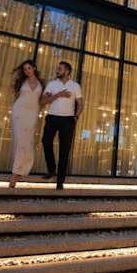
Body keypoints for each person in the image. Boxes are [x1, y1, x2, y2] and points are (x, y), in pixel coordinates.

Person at [40, 61, 82, 190]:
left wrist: (75, 117)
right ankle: (52, 169)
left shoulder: (75, 86)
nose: (57, 70)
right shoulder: (52, 84)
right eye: (57, 68)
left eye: (60, 69)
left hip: (67, 120)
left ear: (67, 71)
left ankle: (60, 181)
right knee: (46, 142)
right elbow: (43, 101)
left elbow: (81, 104)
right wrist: (58, 95)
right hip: (52, 117)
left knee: (64, 151)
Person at [9, 60, 44, 188]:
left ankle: (22, 169)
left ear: (34, 68)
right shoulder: (22, 82)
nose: (27, 71)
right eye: (24, 69)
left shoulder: (42, 84)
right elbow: (18, 96)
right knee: (19, 141)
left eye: (29, 68)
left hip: (32, 114)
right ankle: (15, 176)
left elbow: (42, 100)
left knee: (27, 142)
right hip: (19, 111)